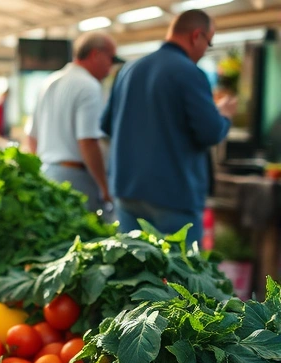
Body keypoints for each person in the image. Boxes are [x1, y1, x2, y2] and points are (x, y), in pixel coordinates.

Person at [101, 9, 236, 246]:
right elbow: (210, 131)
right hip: (173, 196)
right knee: (177, 276)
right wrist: (223, 115)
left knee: (134, 273)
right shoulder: (190, 73)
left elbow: (106, 125)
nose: (206, 50)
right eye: (209, 42)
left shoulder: (128, 70)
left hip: (127, 190)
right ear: (197, 36)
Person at [28, 31, 121, 216]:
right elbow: (87, 141)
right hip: (76, 178)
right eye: (110, 59)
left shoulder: (49, 82)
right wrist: (104, 187)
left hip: (48, 173)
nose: (110, 68)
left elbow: (32, 138)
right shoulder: (88, 86)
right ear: (96, 54)